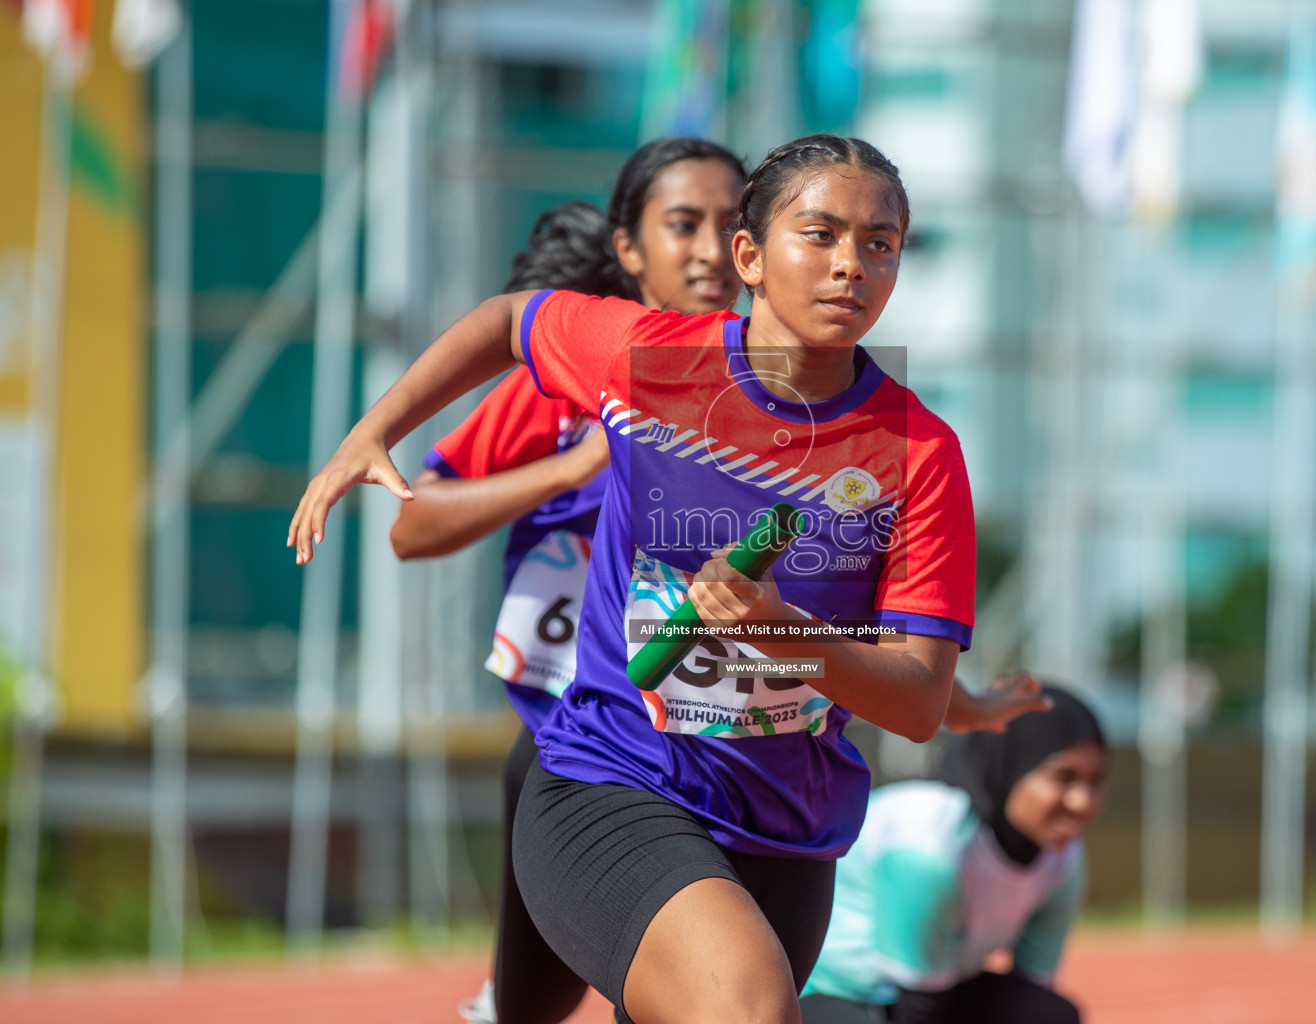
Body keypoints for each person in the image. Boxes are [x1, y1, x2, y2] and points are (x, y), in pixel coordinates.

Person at [289, 134, 985, 1024]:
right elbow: (512, 320)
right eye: (820, 234)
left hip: (784, 831)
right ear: (751, 257)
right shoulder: (650, 361)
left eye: (879, 244)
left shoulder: (919, 454)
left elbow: (919, 701)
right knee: (744, 1007)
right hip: (615, 780)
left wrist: (777, 631)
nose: (852, 265)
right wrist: (374, 430)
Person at [389, 137, 750, 1024]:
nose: (710, 249)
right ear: (629, 250)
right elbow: (411, 525)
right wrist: (571, 468)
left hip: (725, 744)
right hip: (575, 735)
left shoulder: (768, 390)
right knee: (544, 1006)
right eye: (683, 224)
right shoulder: (561, 386)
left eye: (731, 225)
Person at [799, 685, 1108, 1024]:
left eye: (1096, 781)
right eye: (1064, 777)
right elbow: (918, 1011)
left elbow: (1031, 986)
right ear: (1011, 762)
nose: (1084, 802)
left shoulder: (1062, 859)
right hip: (832, 990)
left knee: (1047, 1014)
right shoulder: (930, 843)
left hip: (934, 991)